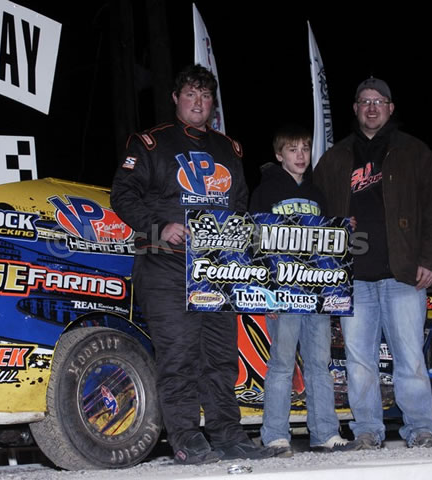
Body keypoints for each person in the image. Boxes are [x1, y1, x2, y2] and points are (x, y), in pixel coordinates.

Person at [110, 64, 273, 464]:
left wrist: (243, 243)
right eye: (190, 95)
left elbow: (239, 205)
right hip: (165, 266)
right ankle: (185, 436)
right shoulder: (150, 143)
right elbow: (122, 195)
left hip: (215, 269)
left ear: (213, 104)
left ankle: (227, 433)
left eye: (205, 96)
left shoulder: (230, 149)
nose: (198, 103)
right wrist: (158, 227)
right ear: (175, 99)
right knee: (179, 355)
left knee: (221, 357)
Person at [313, 77, 432, 449]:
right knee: (359, 361)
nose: (372, 107)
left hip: (403, 276)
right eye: (365, 101)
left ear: (391, 108)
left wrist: (430, 260)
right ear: (355, 108)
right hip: (354, 279)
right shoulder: (335, 159)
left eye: (379, 101)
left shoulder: (414, 152)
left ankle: (420, 429)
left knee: (409, 356)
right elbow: (313, 215)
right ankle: (367, 431)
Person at [249, 124, 348, 457]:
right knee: (282, 364)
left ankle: (325, 433)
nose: (300, 155)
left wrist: (344, 236)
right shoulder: (265, 191)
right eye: (293, 149)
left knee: (320, 364)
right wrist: (265, 292)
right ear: (279, 155)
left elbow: (330, 245)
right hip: (282, 293)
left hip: (316, 295)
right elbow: (254, 243)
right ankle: (275, 435)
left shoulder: (318, 193)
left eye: (305, 148)